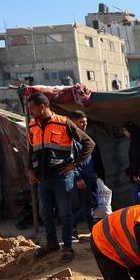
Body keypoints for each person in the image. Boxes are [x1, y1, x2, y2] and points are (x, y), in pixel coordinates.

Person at [26, 93, 95, 262]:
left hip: (62, 177)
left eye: (32, 108)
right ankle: (52, 243)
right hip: (42, 178)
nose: (31, 112)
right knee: (45, 212)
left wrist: (75, 164)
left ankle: (68, 247)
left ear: (42, 106)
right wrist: (29, 170)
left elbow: (89, 143)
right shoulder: (32, 125)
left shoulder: (63, 122)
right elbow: (31, 150)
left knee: (65, 213)